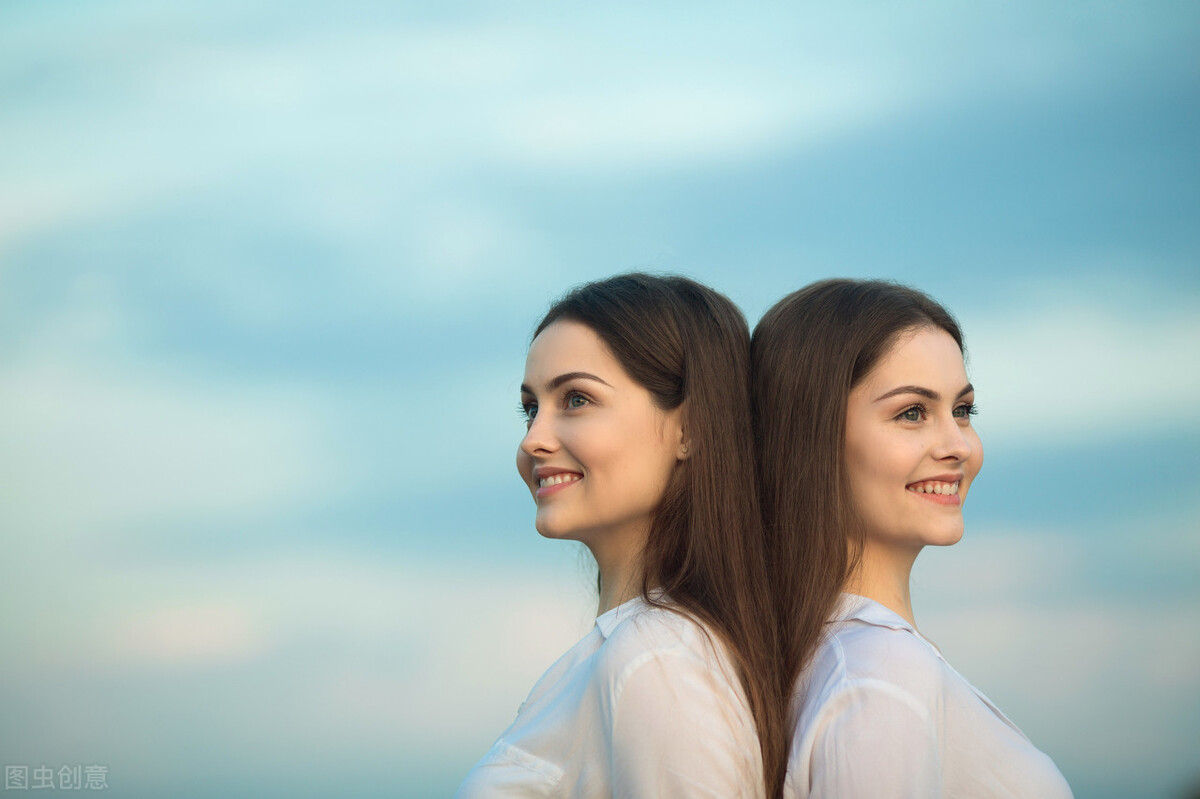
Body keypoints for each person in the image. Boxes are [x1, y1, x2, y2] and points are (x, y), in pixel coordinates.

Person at [456, 273, 786, 799]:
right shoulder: (636, 652)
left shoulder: (656, 660)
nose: (534, 440)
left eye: (577, 399)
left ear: (691, 428)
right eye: (530, 408)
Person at [751, 279, 1072, 798]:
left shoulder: (839, 662)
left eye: (962, 410)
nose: (957, 446)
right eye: (912, 413)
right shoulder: (877, 677)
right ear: (810, 436)